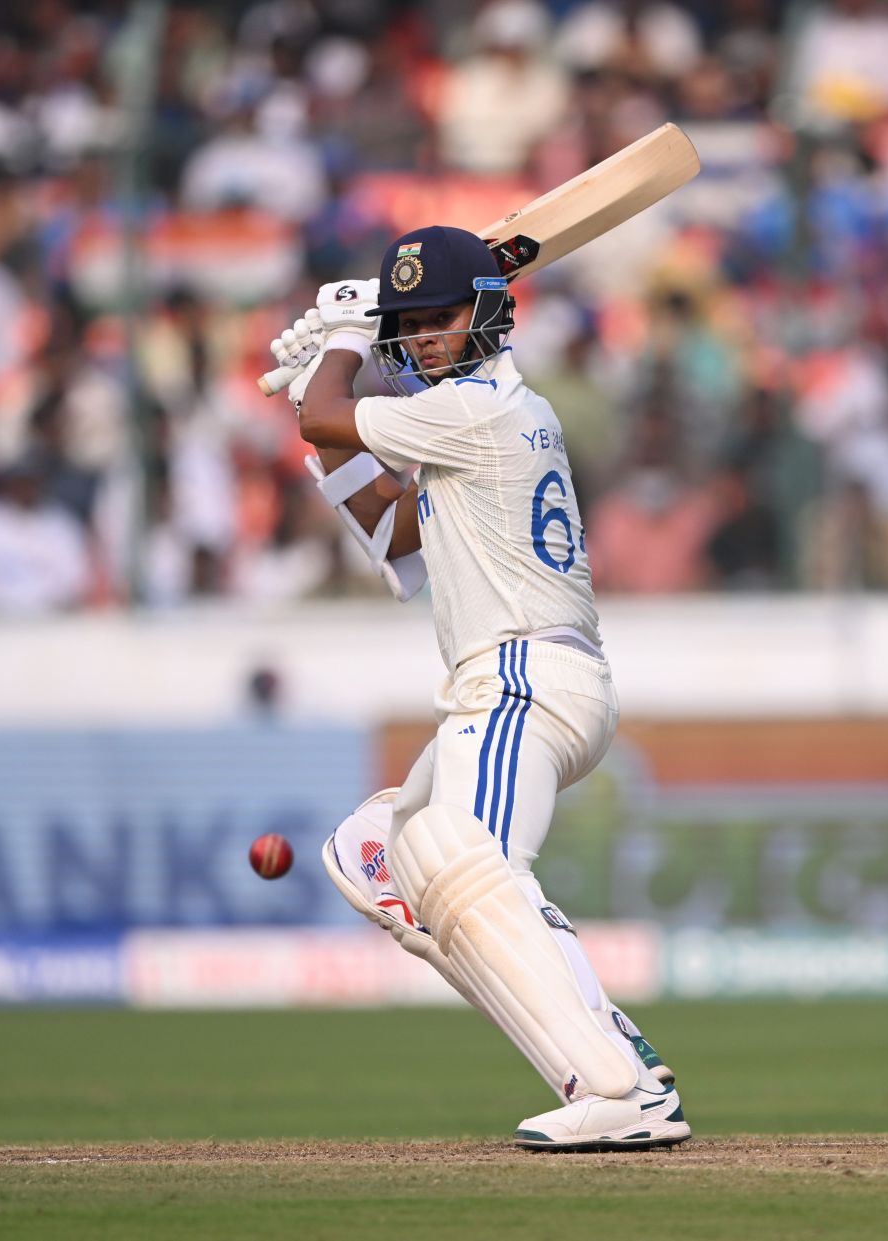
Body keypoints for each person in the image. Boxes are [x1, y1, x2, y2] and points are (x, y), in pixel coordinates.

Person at [269, 226, 688, 1151]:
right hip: (523, 680)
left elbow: (329, 420)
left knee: (465, 855)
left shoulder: (479, 409)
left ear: (491, 312)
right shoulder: (472, 420)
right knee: (377, 850)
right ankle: (621, 1050)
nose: (423, 337)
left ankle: (613, 1087)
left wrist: (340, 343)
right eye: (407, 324)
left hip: (520, 679)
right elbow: (390, 533)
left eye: (441, 317)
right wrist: (320, 389)